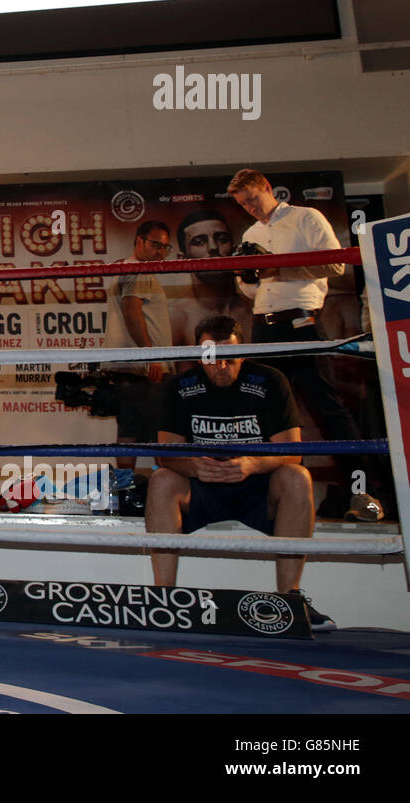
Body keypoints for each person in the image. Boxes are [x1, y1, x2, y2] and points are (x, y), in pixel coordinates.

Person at [147, 314, 333, 630]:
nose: (221, 366)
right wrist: (193, 466)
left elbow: (293, 450)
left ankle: (290, 598)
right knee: (161, 480)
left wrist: (252, 464)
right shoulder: (180, 387)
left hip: (257, 489)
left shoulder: (269, 380)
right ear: (199, 354)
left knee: (297, 477)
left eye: (229, 358)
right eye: (212, 358)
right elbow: (166, 453)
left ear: (242, 352)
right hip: (201, 489)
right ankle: (164, 600)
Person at [227, 168, 373, 518]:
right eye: (243, 204)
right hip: (263, 324)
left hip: (302, 321)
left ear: (267, 188)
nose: (250, 207)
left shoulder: (307, 217)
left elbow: (337, 265)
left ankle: (364, 495)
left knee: (328, 409)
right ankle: (273, 498)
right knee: (264, 414)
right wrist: (247, 275)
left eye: (253, 199)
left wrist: (279, 269)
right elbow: (249, 289)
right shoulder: (251, 233)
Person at [100, 220, 172, 472]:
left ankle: (125, 491)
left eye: (165, 247)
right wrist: (152, 357)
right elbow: (132, 309)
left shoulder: (126, 268)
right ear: (138, 241)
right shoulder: (138, 270)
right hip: (143, 367)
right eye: (155, 244)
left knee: (130, 431)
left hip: (131, 365)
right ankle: (158, 490)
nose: (160, 252)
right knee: (158, 434)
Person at [168, 206, 254, 350]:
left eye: (222, 239)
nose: (213, 247)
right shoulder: (176, 317)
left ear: (233, 250)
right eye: (199, 242)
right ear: (182, 259)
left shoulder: (255, 308)